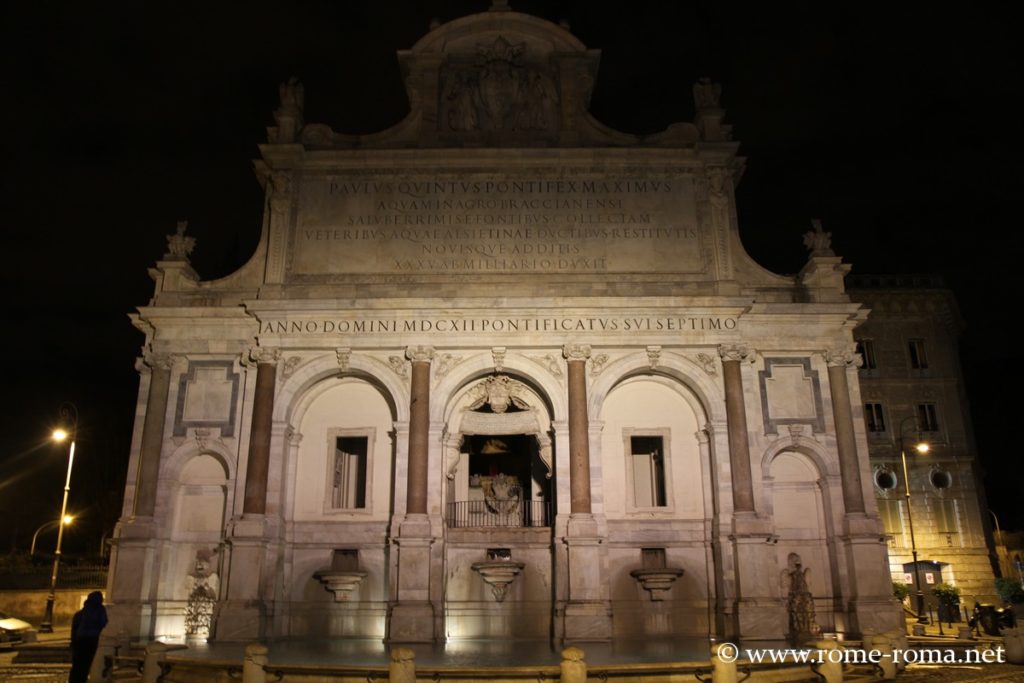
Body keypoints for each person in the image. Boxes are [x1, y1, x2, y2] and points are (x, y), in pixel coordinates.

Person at [69, 591, 108, 682]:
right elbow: (104, 622)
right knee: (86, 662)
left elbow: (75, 628)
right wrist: (96, 629)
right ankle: (82, 679)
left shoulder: (81, 612)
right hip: (92, 639)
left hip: (80, 639)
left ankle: (74, 680)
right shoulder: (100, 609)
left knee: (77, 663)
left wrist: (73, 641)